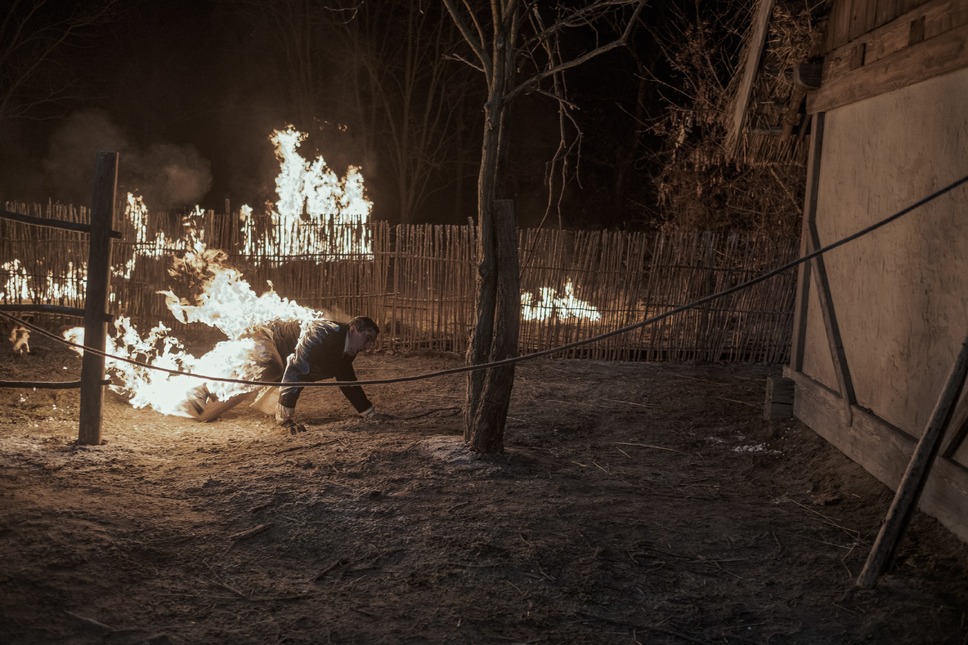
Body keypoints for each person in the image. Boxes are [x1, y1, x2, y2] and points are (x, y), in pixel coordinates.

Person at [183, 315, 383, 432]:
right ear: (353, 329)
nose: (368, 347)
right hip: (265, 336)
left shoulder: (348, 352)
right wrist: (285, 418)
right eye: (367, 339)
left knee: (209, 413)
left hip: (280, 364)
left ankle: (198, 405)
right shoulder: (324, 332)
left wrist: (369, 413)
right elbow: (297, 367)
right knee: (272, 367)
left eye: (372, 342)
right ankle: (201, 388)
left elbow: (347, 381)